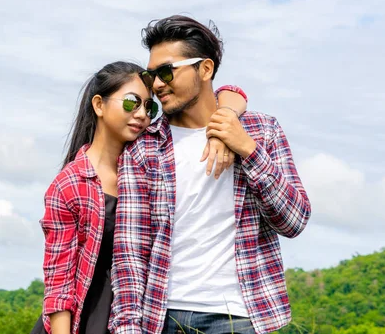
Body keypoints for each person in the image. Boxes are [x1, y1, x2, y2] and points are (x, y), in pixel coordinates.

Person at [110, 15, 312, 334]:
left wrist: (247, 148)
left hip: (240, 318)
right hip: (162, 317)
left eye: (166, 71)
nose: (158, 84)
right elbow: (130, 250)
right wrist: (128, 327)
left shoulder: (263, 131)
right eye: (151, 76)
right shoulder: (142, 148)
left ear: (205, 69)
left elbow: (294, 221)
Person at [32, 60, 248, 334]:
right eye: (131, 103)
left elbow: (230, 92)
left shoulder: (146, 163)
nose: (142, 115)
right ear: (99, 105)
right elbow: (59, 284)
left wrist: (221, 129)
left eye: (149, 107)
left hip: (144, 313)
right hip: (86, 318)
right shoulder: (69, 185)